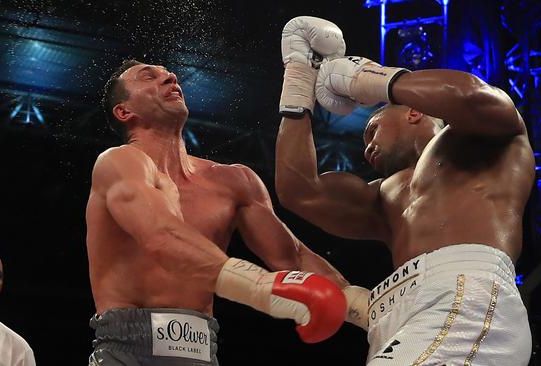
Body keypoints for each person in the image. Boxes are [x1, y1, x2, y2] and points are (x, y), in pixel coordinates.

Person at [86, 23, 352, 364]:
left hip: (202, 348)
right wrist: (256, 287)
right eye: (148, 77)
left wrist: (361, 306)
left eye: (169, 74)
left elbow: (293, 258)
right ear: (125, 112)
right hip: (128, 349)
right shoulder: (117, 163)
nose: (170, 79)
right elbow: (160, 235)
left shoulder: (233, 181)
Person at [275, 17, 535, 366]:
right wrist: (297, 82)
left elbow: (469, 95)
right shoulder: (382, 197)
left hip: (463, 292)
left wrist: (367, 79)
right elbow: (299, 191)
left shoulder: (484, 142)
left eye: (372, 131)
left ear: (413, 113)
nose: (367, 148)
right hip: (393, 316)